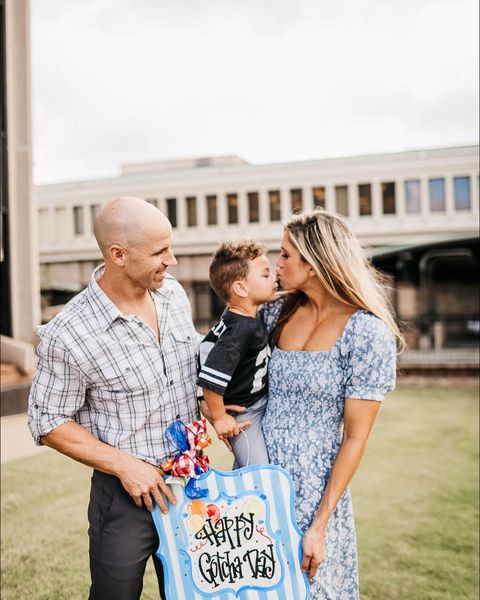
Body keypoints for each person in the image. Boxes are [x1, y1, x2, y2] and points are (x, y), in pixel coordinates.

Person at [27, 197, 199, 600]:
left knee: (197, 594)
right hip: (124, 498)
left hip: (192, 484)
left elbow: (190, 370)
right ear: (118, 254)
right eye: (159, 252)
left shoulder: (174, 295)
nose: (171, 260)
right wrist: (125, 465)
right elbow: (47, 421)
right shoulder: (69, 333)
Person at [261, 209, 402, 599]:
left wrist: (320, 522)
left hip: (316, 488)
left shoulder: (366, 333)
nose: (277, 262)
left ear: (313, 262)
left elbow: (356, 437)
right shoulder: (275, 312)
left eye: (286, 254)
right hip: (260, 475)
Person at [197, 240, 278, 467]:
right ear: (241, 288)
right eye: (266, 275)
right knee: (257, 471)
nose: (274, 278)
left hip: (261, 402)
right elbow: (210, 380)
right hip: (245, 414)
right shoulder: (236, 333)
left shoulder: (243, 313)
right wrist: (220, 417)